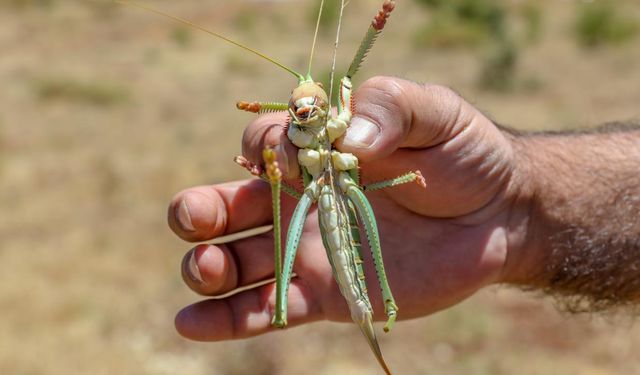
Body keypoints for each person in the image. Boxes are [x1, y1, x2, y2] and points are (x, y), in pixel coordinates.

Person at [167, 76, 640, 341]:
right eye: (298, 110)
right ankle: (288, 305)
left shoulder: (341, 121)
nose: (307, 112)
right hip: (311, 190)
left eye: (314, 106)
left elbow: (349, 122)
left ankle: (384, 300)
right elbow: (296, 135)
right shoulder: (298, 130)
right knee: (284, 193)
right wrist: (272, 156)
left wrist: (512, 204)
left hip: (348, 193)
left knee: (361, 211)